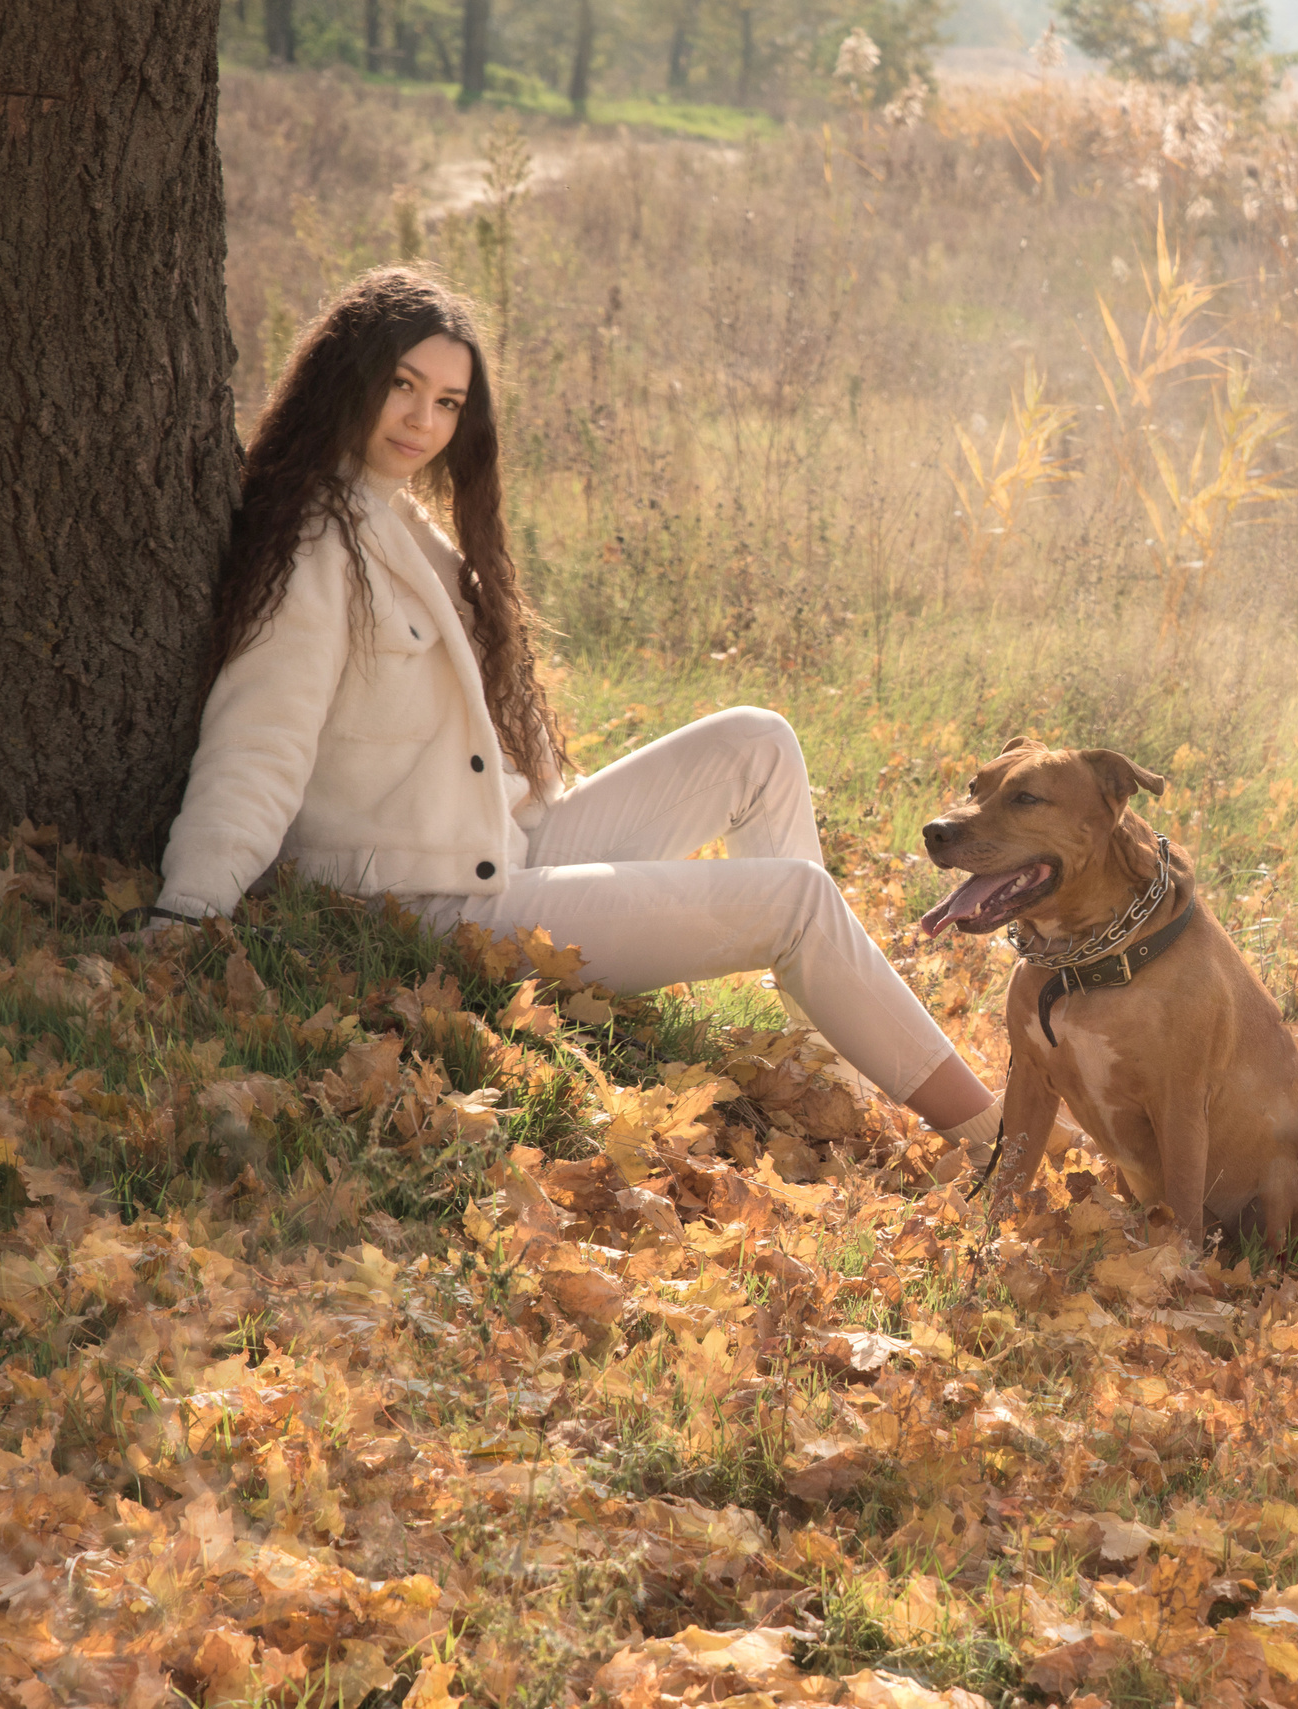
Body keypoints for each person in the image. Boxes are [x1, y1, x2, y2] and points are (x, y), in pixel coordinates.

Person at [150, 267, 1000, 1152]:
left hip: (506, 844)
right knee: (797, 900)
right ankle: (996, 1136)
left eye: (447, 402)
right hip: (430, 901)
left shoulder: (401, 524)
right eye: (401, 387)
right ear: (346, 381)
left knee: (757, 741)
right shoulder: (319, 545)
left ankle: (834, 1051)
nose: (421, 421)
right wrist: (188, 910)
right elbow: (259, 746)